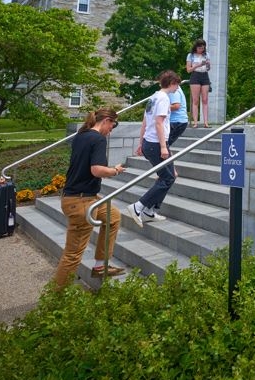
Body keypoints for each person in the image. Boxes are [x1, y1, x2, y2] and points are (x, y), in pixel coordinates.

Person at [53, 108, 126, 289]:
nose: (111, 131)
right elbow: (97, 170)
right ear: (106, 120)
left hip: (86, 198)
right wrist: (115, 171)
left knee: (113, 216)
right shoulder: (98, 139)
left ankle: (100, 265)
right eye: (112, 126)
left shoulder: (81, 135)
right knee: (72, 255)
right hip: (80, 202)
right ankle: (56, 297)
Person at [127, 70, 181, 226]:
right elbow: (158, 123)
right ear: (172, 83)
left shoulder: (153, 97)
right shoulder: (163, 99)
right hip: (157, 144)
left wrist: (140, 143)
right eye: (177, 84)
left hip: (150, 142)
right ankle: (138, 207)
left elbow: (145, 122)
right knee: (167, 178)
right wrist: (163, 147)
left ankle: (149, 211)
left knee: (171, 175)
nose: (178, 88)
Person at [185, 38, 211, 128]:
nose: (201, 50)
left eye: (203, 48)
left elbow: (208, 69)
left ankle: (206, 122)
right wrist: (197, 65)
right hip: (195, 75)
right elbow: (188, 70)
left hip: (204, 75)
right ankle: (195, 122)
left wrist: (207, 64)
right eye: (199, 48)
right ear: (196, 47)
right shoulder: (190, 55)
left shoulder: (206, 54)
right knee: (195, 100)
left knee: (205, 99)